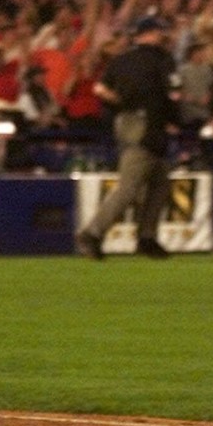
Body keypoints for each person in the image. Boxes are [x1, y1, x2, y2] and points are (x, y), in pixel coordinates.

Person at [76, 16, 178, 260]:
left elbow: (99, 89)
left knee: (160, 183)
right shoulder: (162, 59)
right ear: (150, 33)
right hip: (150, 123)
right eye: (159, 32)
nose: (163, 36)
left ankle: (147, 237)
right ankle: (92, 233)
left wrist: (123, 103)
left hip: (127, 121)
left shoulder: (121, 60)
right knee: (129, 187)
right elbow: (173, 93)